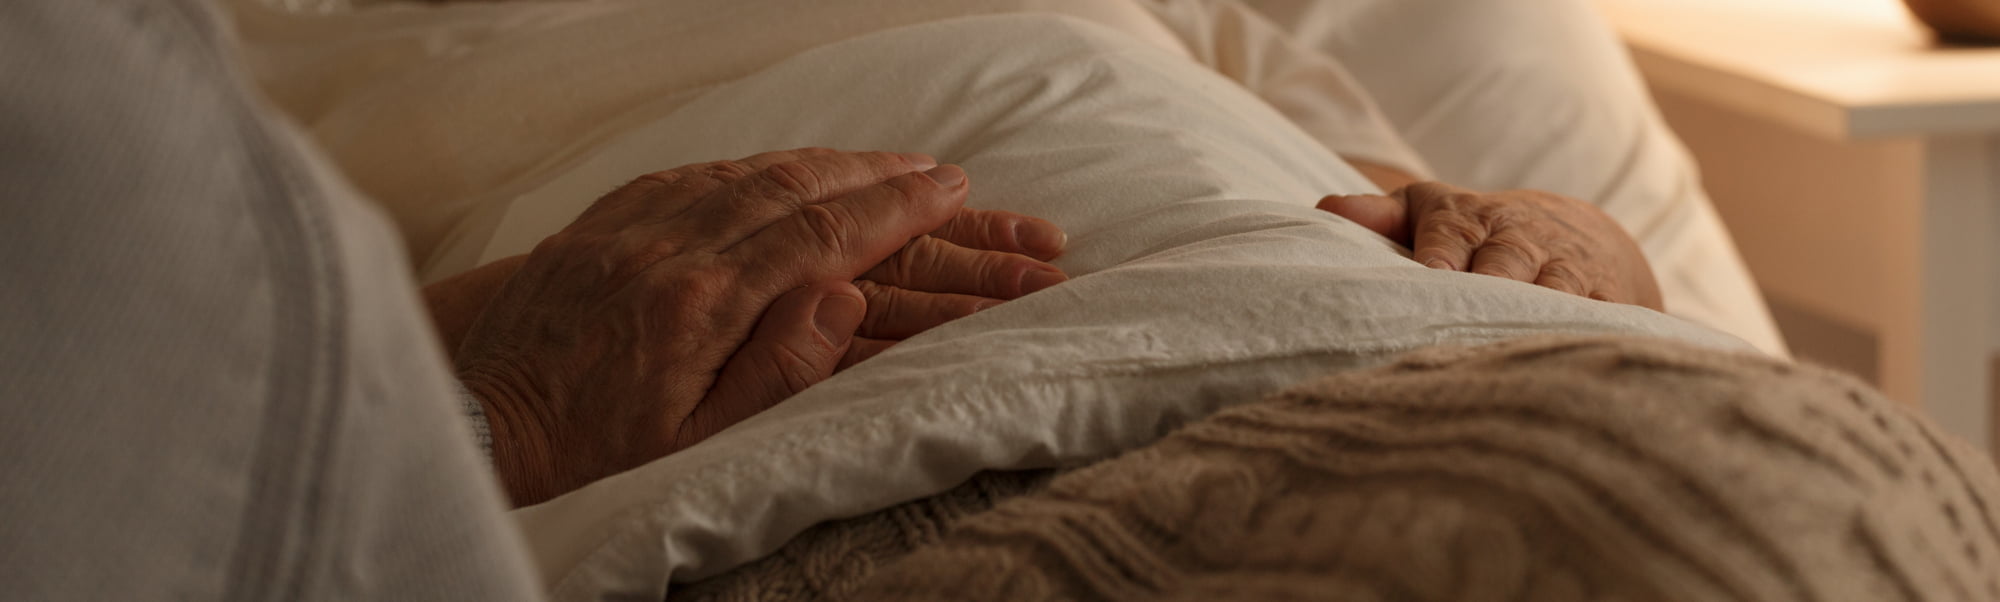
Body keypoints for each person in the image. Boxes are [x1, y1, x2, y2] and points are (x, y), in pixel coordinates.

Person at [0, 0, 1719, 599]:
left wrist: (1595, 264)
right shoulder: (195, 76)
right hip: (784, 471)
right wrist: (494, 409)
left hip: (1444, 348)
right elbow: (151, 439)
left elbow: (1384, 159)